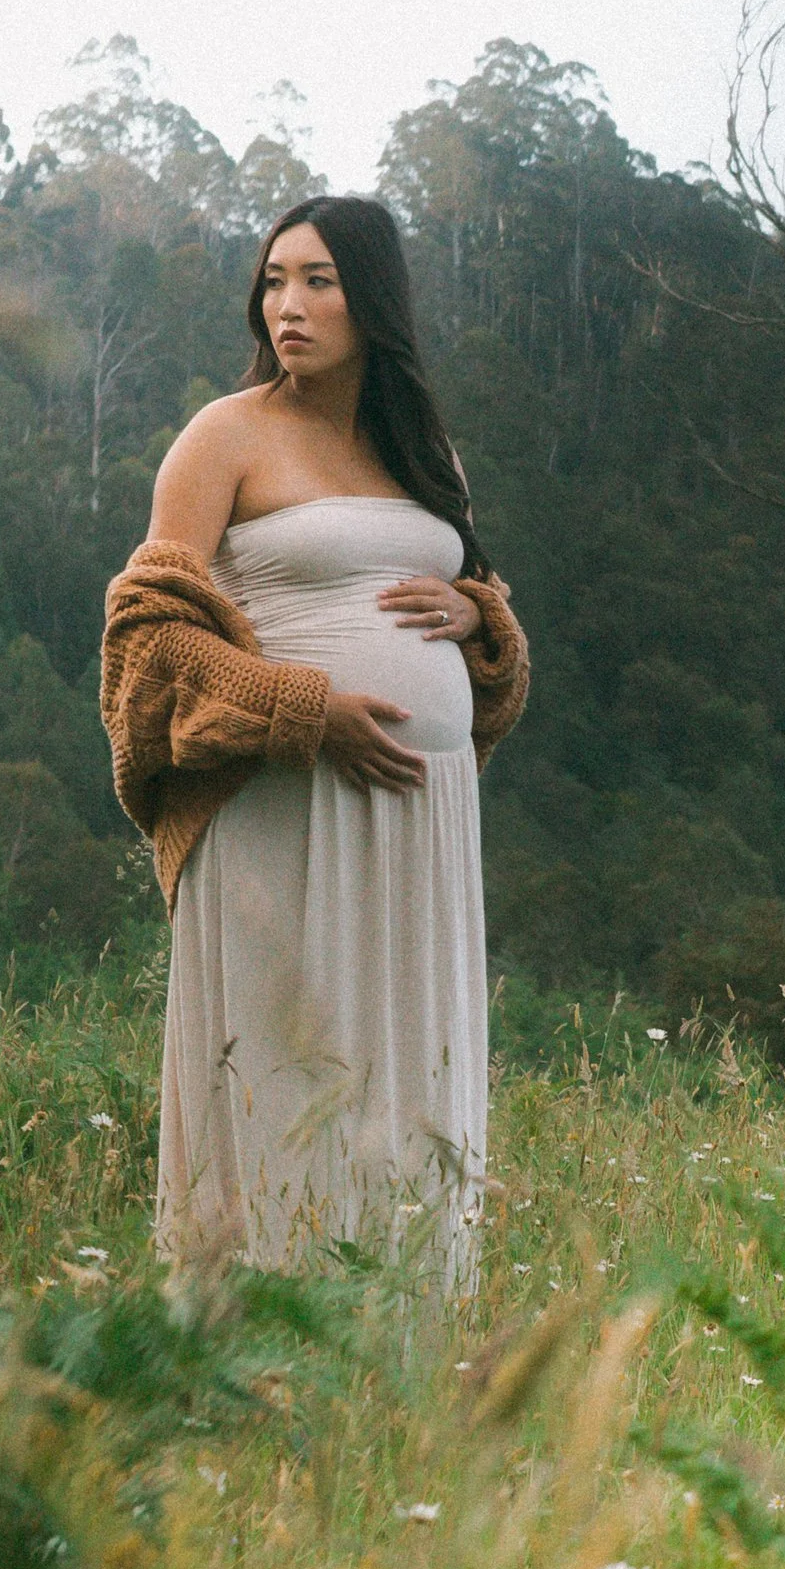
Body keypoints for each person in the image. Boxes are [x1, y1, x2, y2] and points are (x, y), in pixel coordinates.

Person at [100, 195, 528, 1285]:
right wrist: (304, 712)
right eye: (274, 279)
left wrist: (484, 617)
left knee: (408, 1078)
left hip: (419, 820)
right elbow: (146, 634)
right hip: (282, 806)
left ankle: (398, 1364)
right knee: (287, 1074)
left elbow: (479, 611)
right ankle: (252, 1362)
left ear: (371, 300)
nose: (287, 305)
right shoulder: (224, 434)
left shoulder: (425, 453)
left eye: (319, 281)